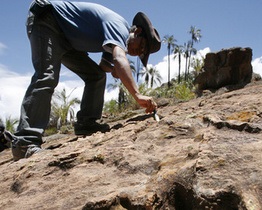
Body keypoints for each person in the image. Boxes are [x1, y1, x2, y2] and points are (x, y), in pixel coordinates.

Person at [8, 0, 161, 161]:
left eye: (143, 53)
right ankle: (25, 142)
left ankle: (87, 124)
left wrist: (115, 70)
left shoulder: (116, 40)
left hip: (66, 39)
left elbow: (104, 66)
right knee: (46, 76)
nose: (139, 52)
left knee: (96, 76)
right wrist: (137, 95)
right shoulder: (119, 27)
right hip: (48, 19)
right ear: (137, 31)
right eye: (142, 45)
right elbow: (119, 58)